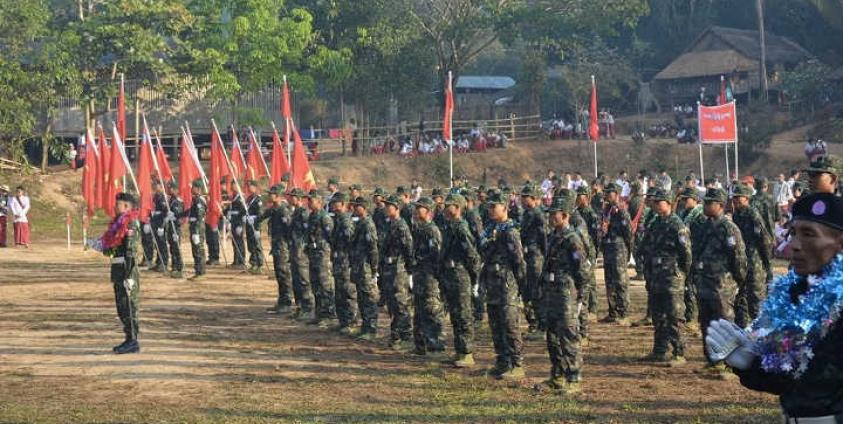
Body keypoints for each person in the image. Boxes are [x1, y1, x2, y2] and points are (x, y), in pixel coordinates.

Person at [706, 192, 843, 422]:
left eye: (809, 234)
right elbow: (788, 379)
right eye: (793, 233)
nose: (794, 245)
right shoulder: (795, 297)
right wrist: (749, 364)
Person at [693, 188, 747, 378]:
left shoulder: (729, 228)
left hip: (722, 285)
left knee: (724, 324)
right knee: (707, 323)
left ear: (721, 206)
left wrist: (738, 283)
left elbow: (739, 259)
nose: (705, 206)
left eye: (709, 203)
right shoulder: (703, 225)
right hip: (704, 282)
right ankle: (713, 361)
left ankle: (729, 364)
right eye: (705, 202)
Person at [538, 195, 589, 392]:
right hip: (551, 292)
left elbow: (582, 271)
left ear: (565, 215)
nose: (551, 217)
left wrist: (581, 298)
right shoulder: (553, 236)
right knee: (552, 336)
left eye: (554, 214)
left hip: (566, 293)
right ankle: (557, 375)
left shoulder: (572, 239)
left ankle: (573, 378)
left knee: (568, 336)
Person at [640, 188, 691, 365]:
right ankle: (660, 350)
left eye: (659, 201)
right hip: (656, 276)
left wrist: (682, 274)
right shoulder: (655, 223)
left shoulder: (677, 225)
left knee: (674, 315)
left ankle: (679, 352)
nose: (655, 204)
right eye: (654, 202)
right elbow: (646, 246)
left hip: (671, 277)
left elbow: (686, 254)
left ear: (668, 203)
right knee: (658, 314)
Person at [480, 191, 527, 379]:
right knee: (495, 324)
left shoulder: (511, 231)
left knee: (509, 325)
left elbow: (519, 262)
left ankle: (517, 364)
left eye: (494, 206)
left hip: (507, 285)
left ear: (505, 208)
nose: (491, 210)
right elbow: (483, 251)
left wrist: (522, 289)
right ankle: (502, 362)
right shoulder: (491, 229)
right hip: (492, 283)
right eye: (489, 206)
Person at [89, 192, 141, 354]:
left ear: (126, 206)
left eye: (118, 204)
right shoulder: (117, 223)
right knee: (121, 306)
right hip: (118, 269)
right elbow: (112, 247)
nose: (114, 206)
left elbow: (131, 251)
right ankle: (128, 338)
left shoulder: (130, 223)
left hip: (127, 270)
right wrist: (100, 245)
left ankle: (133, 341)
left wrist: (128, 275)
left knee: (129, 306)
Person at [439, 193, 481, 368]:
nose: (445, 208)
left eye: (449, 205)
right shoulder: (450, 226)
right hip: (451, 274)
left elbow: (471, 254)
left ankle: (467, 352)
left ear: (457, 208)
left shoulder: (462, 227)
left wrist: (476, 278)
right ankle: (459, 350)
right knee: (455, 314)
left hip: (461, 275)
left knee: (463, 314)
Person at [731, 184, 773, 329]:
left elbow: (764, 240)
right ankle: (742, 328)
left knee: (755, 298)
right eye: (734, 198)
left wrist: (767, 264)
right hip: (740, 261)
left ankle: (760, 331)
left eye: (738, 198)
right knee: (740, 297)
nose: (735, 201)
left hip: (754, 261)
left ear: (747, 198)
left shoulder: (752, 214)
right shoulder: (736, 215)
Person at [411, 196, 446, 355]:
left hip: (430, 277)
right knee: (419, 310)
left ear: (429, 211)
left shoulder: (432, 230)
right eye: (416, 208)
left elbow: (437, 256)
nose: (417, 211)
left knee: (432, 310)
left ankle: (435, 345)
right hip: (419, 276)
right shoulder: (419, 229)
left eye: (421, 208)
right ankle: (421, 345)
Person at [380, 194, 415, 351]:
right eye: (386, 206)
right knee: (392, 304)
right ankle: (396, 335)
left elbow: (408, 249)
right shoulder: (390, 224)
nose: (387, 209)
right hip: (389, 269)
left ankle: (406, 335)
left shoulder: (401, 226)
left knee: (401, 303)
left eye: (390, 206)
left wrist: (409, 270)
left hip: (399, 270)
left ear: (397, 208)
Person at [599, 183, 633, 325]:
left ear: (616, 194)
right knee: (610, 281)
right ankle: (613, 311)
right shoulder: (606, 210)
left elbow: (628, 234)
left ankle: (623, 312)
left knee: (620, 281)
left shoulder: (621, 211)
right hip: (608, 248)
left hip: (618, 249)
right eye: (605, 193)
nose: (606, 195)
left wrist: (628, 251)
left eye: (609, 193)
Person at [349, 196, 380, 340]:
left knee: (368, 298)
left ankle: (371, 329)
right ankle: (365, 327)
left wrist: (374, 269)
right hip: (359, 266)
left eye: (358, 206)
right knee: (361, 298)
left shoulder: (368, 224)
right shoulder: (360, 223)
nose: (355, 209)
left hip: (366, 267)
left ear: (364, 208)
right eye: (354, 206)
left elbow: (373, 249)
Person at [519, 184, 548, 337]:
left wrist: (545, 255)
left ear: (534, 199)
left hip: (536, 257)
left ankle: (542, 326)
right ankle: (535, 324)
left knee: (537, 291)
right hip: (528, 256)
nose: (523, 200)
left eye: (526, 197)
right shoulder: (527, 214)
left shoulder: (538, 214)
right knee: (529, 291)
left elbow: (543, 238)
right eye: (522, 197)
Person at [306, 189, 336, 327]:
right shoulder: (312, 216)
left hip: (323, 255)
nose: (309, 203)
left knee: (325, 285)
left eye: (311, 201)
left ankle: (328, 315)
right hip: (313, 254)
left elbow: (332, 238)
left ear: (319, 202)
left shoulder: (325, 217)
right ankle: (319, 313)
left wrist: (330, 255)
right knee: (315, 284)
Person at [330, 192, 357, 334]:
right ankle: (342, 321)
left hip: (345, 261)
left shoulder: (346, 220)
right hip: (338, 261)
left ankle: (350, 322)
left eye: (337, 203)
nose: (334, 206)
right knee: (339, 292)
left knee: (348, 291)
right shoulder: (338, 220)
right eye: (333, 203)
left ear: (343, 204)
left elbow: (351, 241)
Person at [289, 189, 314, 320]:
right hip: (294, 249)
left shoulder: (303, 212)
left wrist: (304, 247)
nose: (290, 199)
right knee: (296, 280)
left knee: (304, 280)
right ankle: (300, 307)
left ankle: (308, 307)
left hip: (301, 251)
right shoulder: (296, 212)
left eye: (293, 197)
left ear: (298, 199)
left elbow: (307, 232)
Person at [186, 179, 207, 281]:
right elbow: (189, 212)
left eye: (193, 187)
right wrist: (177, 215)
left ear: (198, 189)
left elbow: (199, 216)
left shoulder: (199, 200)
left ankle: (200, 272)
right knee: (196, 250)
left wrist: (196, 232)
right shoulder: (195, 199)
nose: (191, 189)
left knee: (198, 250)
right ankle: (199, 270)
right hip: (194, 227)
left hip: (197, 228)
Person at [243, 180, 266, 274]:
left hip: (255, 226)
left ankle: (260, 265)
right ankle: (254, 263)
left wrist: (254, 219)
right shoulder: (249, 198)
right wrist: (245, 216)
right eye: (248, 186)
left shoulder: (258, 199)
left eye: (251, 186)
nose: (249, 188)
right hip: (249, 225)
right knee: (251, 245)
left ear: (255, 188)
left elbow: (260, 214)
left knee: (257, 245)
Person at [163, 181, 185, 278]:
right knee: (172, 247)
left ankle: (179, 268)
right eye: (169, 188)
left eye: (171, 188)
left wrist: (174, 217)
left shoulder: (178, 201)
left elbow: (180, 216)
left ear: (176, 190)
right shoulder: (170, 200)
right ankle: (174, 266)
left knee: (176, 247)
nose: (169, 190)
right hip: (170, 227)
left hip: (176, 227)